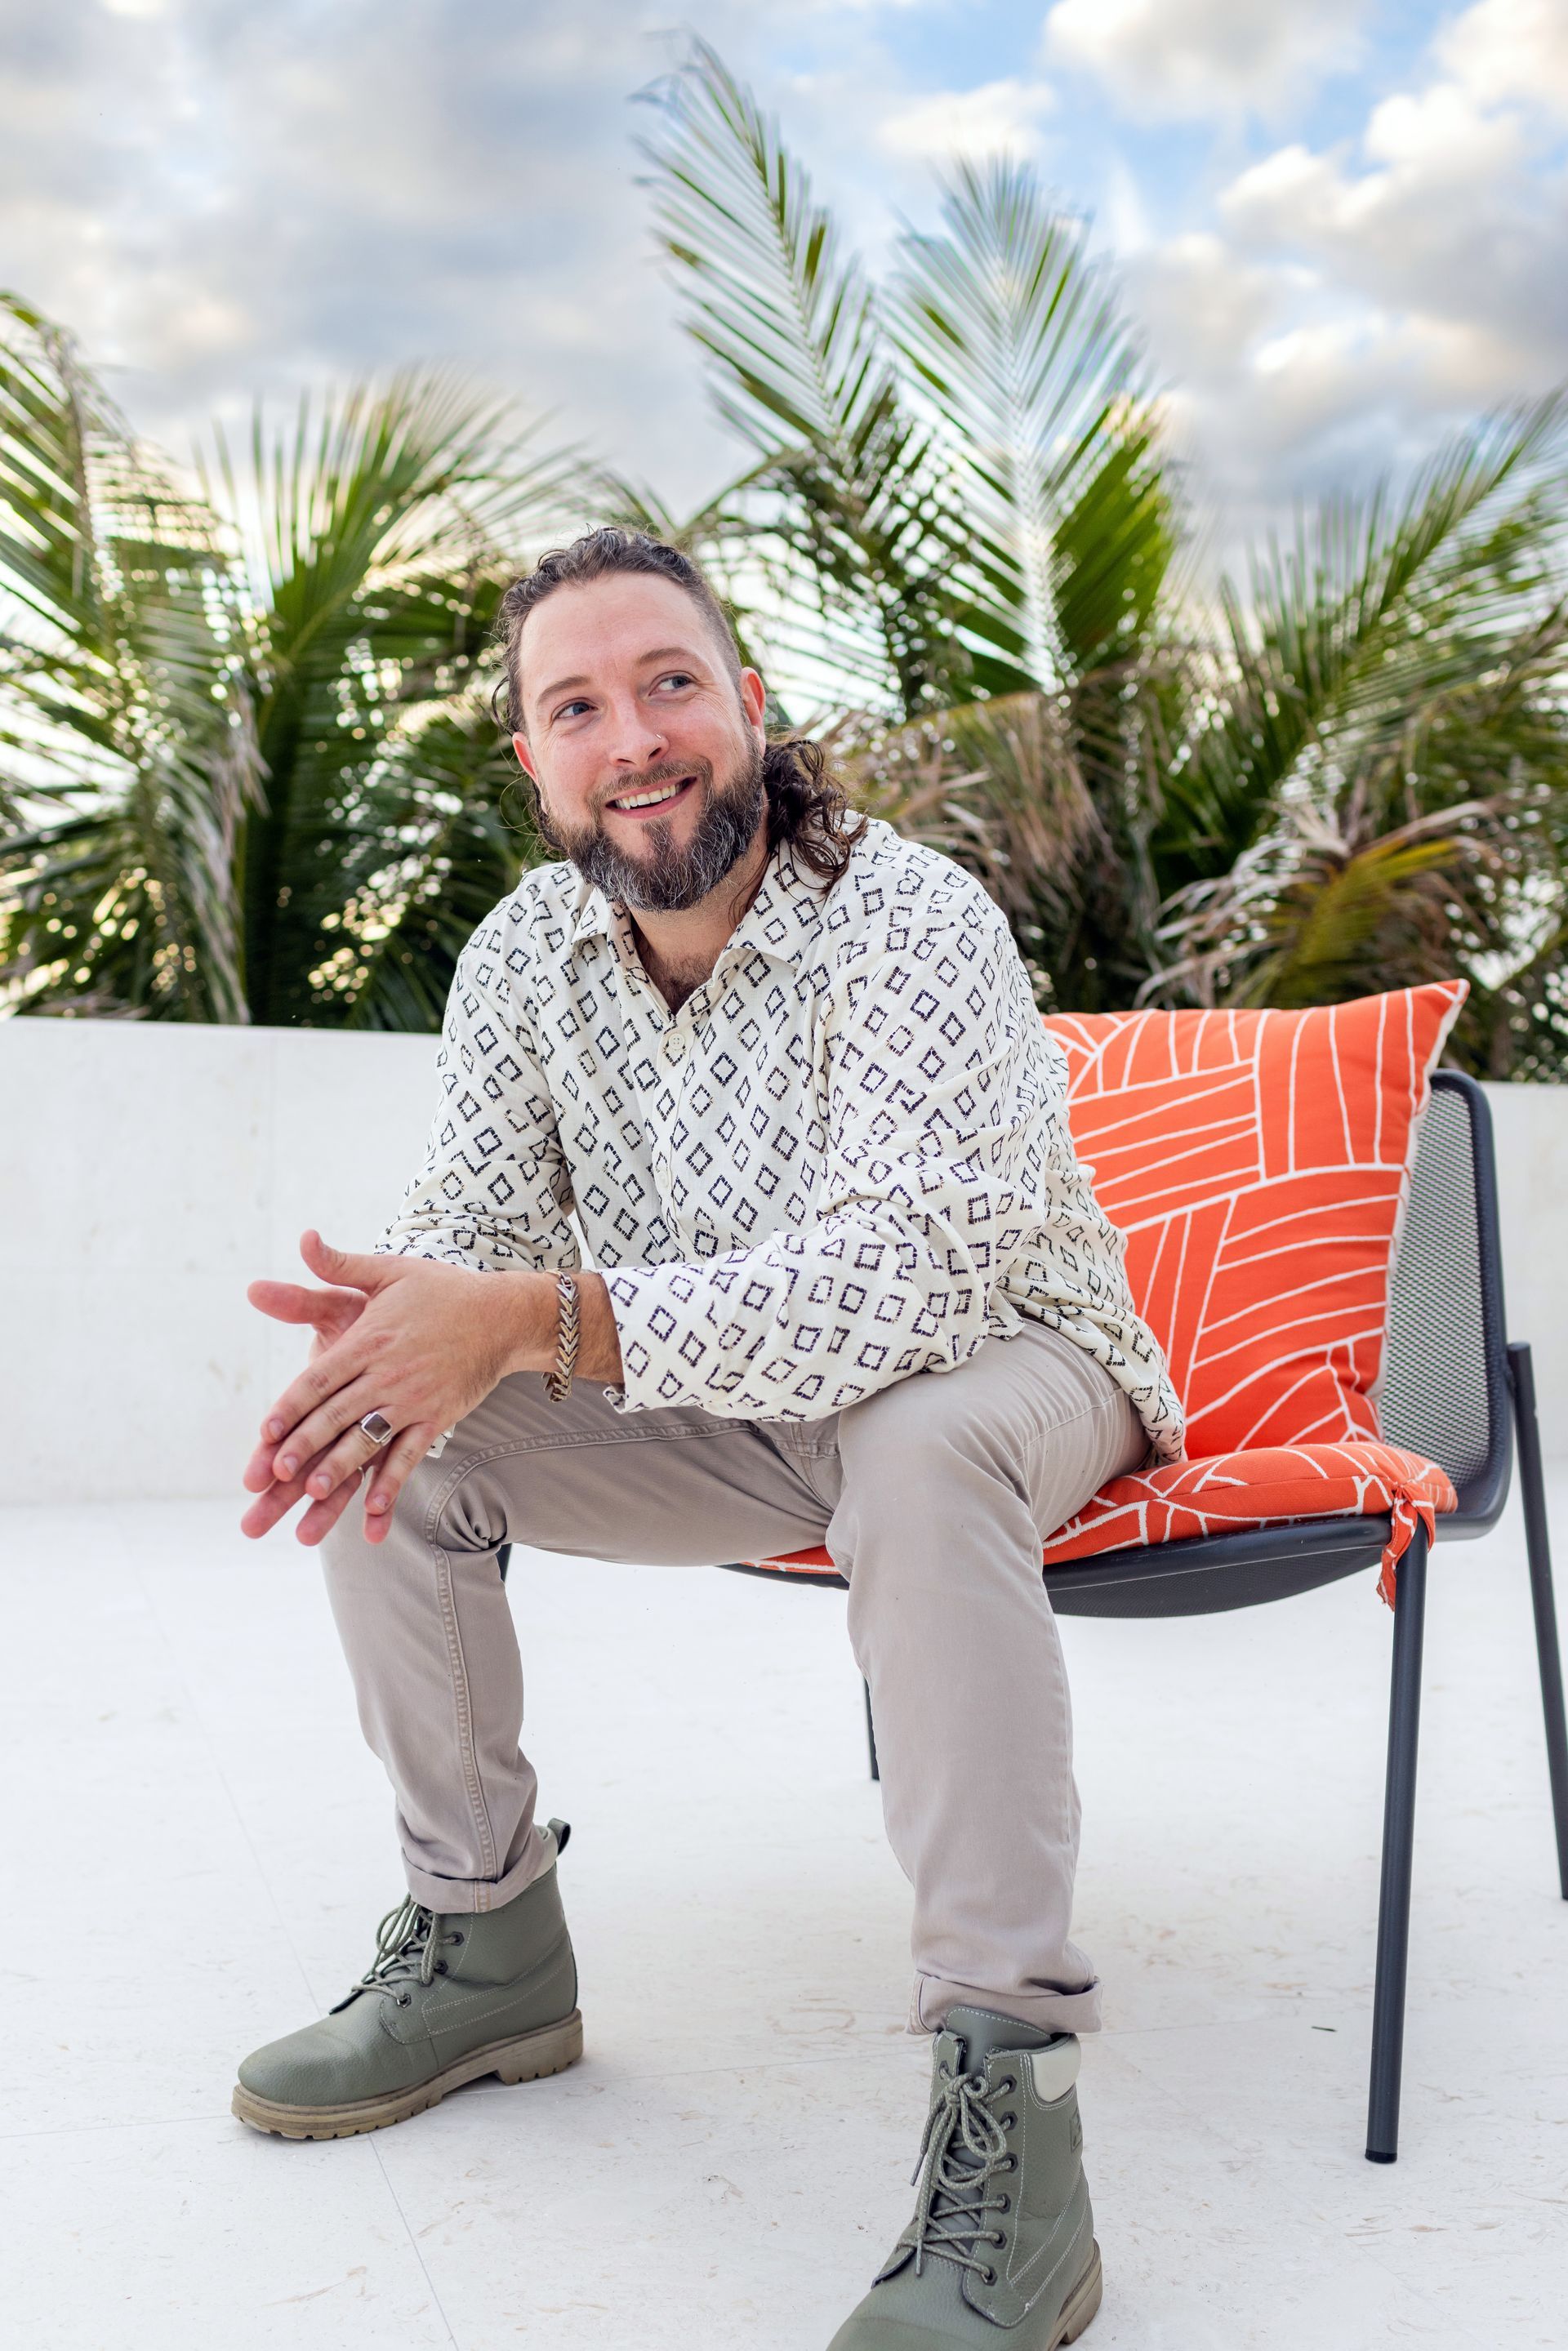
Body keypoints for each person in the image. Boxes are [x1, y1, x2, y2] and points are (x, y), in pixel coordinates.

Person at [233, 528, 1183, 2350]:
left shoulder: (906, 916)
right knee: (389, 1429)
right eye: (575, 705)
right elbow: (482, 1234)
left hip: (1012, 1365)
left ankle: (1015, 2096)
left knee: (908, 1443)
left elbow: (908, 1283)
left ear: (748, 702)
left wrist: (540, 1321)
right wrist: (403, 1326)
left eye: (669, 682)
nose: (636, 735)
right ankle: (486, 1941)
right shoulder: (525, 959)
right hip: (726, 1403)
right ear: (534, 762)